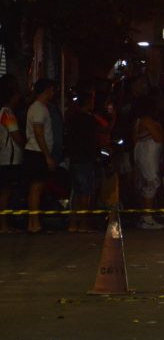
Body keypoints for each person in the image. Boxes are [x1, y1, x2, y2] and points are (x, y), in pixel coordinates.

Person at [23, 79, 57, 234]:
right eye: (52, 90)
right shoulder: (38, 108)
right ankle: (34, 224)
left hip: (36, 152)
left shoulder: (39, 107)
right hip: (37, 152)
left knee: (35, 188)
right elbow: (38, 133)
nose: (53, 93)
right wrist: (47, 156)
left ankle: (32, 223)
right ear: (47, 90)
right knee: (36, 188)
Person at [64, 90, 98, 233]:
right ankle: (83, 224)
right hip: (85, 159)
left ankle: (73, 223)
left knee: (75, 192)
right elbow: (93, 139)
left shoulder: (71, 118)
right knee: (85, 192)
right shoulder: (89, 120)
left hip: (74, 159)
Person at [133, 96, 164, 229]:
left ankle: (144, 217)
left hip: (143, 155)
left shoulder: (137, 121)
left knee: (145, 185)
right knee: (151, 184)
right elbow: (159, 137)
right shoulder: (147, 121)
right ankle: (147, 218)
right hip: (148, 156)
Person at [0, 78, 25, 233]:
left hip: (4, 157)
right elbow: (16, 136)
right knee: (6, 192)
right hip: (8, 158)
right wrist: (27, 145)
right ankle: (3, 225)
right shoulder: (7, 113)